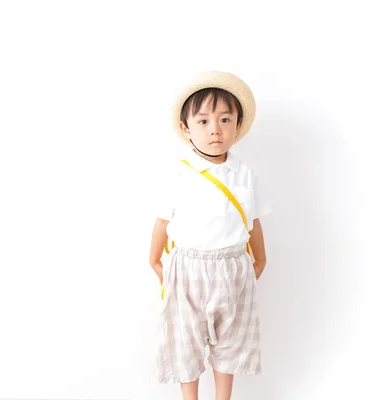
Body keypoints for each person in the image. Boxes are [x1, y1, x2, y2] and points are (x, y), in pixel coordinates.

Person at [149, 71, 271, 400]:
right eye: (202, 121)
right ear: (186, 128)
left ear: (237, 125)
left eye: (224, 119)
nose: (215, 129)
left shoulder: (246, 174)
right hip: (187, 267)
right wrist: (155, 262)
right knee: (184, 339)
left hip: (233, 267)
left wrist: (260, 260)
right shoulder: (178, 173)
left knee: (231, 340)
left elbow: (253, 222)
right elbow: (162, 222)